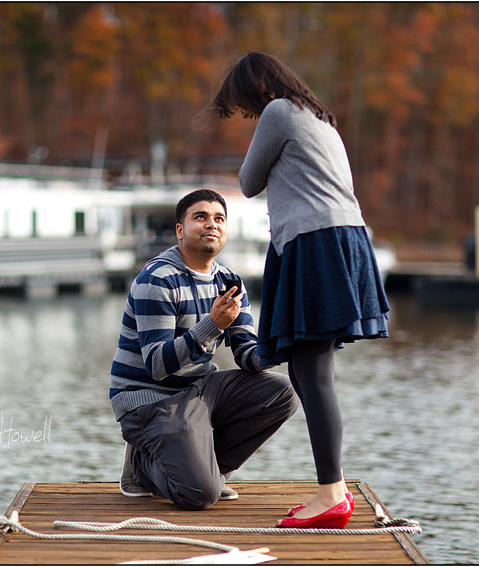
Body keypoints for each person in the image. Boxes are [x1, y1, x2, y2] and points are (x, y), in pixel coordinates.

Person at [203, 51, 390, 528]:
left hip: (314, 243)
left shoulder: (279, 112)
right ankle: (336, 489)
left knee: (315, 375)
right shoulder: (319, 117)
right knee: (309, 374)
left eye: (246, 104)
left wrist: (260, 133)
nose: (248, 113)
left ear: (257, 90)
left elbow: (247, 182)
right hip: (340, 239)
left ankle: (331, 496)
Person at [109, 188, 298, 511]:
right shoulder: (157, 279)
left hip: (197, 390)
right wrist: (212, 323)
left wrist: (276, 347)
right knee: (199, 496)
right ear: (180, 231)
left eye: (219, 218)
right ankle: (142, 467)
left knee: (282, 392)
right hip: (150, 399)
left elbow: (246, 355)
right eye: (201, 217)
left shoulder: (229, 281)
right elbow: (157, 365)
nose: (212, 224)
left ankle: (207, 468)